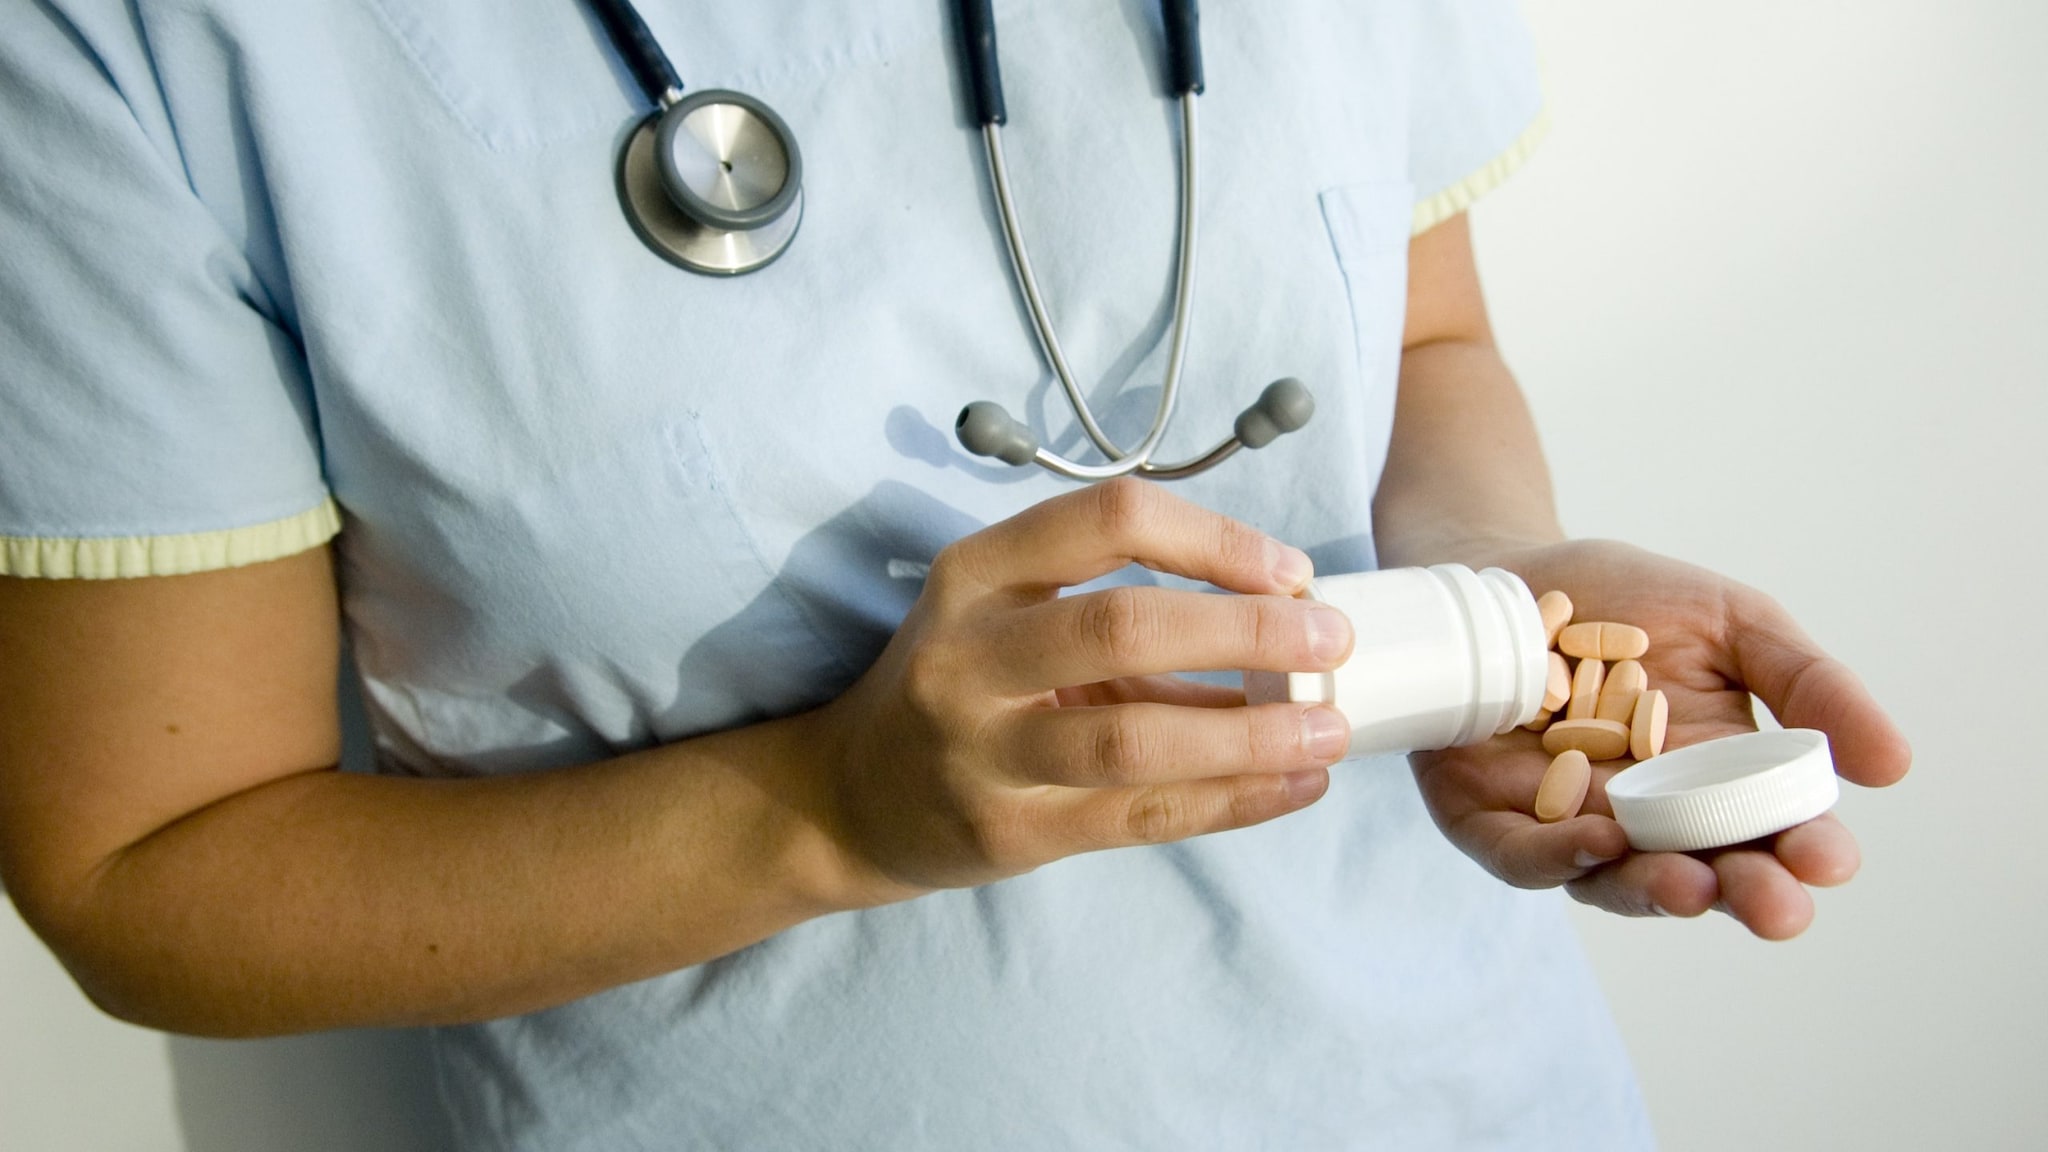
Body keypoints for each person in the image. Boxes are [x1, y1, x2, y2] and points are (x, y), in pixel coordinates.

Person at [0, 1, 1909, 1147]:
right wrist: (822, 812)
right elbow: (147, 871)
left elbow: (1417, 352)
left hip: (1464, 1103)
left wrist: (1498, 629)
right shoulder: (127, 45)